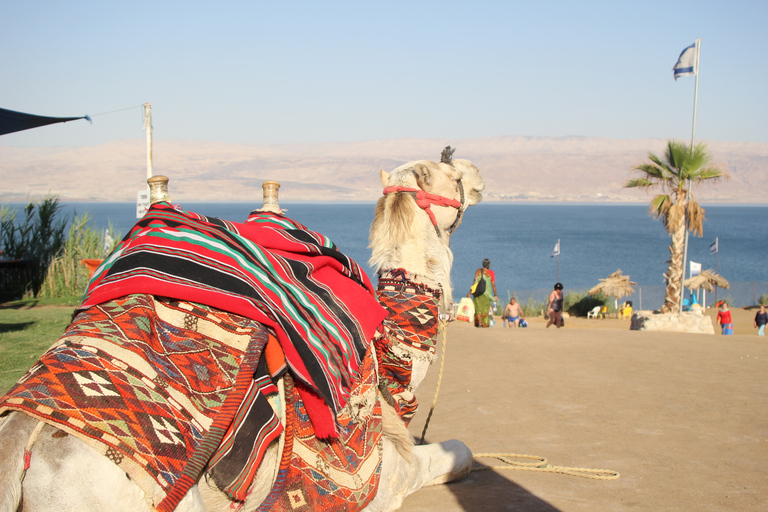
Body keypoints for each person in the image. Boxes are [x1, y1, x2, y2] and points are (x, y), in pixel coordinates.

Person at [467, 258, 498, 328]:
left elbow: (474, 283)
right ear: (489, 265)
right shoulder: (491, 273)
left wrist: (470, 292)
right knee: (485, 311)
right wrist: (495, 295)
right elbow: (493, 285)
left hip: (477, 294)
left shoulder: (478, 272)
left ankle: (478, 323)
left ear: (483, 264)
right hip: (486, 295)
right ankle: (485, 324)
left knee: (478, 310)